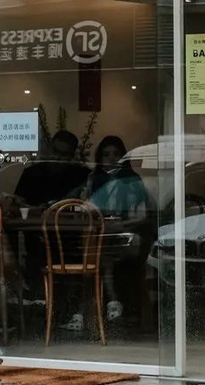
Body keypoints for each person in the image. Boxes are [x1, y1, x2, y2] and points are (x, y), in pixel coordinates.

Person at [63, 136, 151, 330]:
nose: (111, 158)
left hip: (125, 235)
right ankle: (112, 301)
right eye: (106, 154)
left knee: (95, 257)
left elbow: (142, 216)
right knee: (95, 253)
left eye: (116, 154)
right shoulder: (93, 179)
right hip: (100, 234)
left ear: (123, 157)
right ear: (99, 157)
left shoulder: (131, 180)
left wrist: (121, 225)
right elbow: (78, 202)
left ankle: (83, 312)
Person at [14, 130, 90, 207]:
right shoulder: (31, 173)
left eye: (63, 154)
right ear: (49, 149)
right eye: (55, 151)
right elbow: (18, 201)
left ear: (72, 156)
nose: (57, 157)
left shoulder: (82, 176)